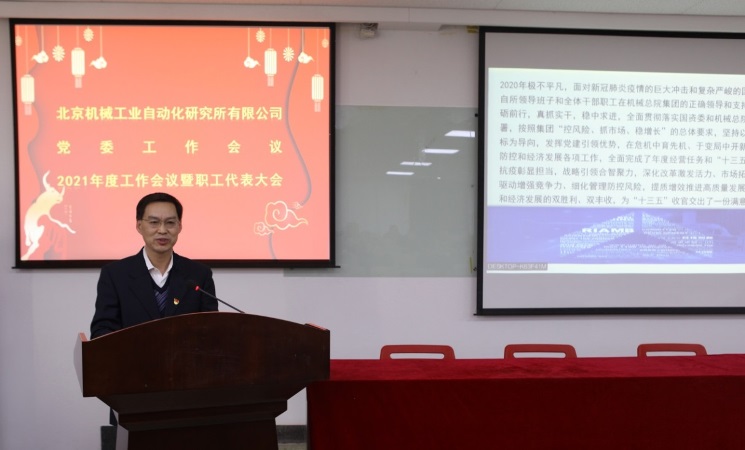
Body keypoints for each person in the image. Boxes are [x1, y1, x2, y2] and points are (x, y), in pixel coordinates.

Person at [90, 192, 218, 339]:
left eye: (170, 223)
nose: (162, 230)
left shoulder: (199, 275)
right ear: (139, 226)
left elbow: (211, 330)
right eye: (154, 222)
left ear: (179, 226)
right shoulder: (115, 275)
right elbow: (102, 331)